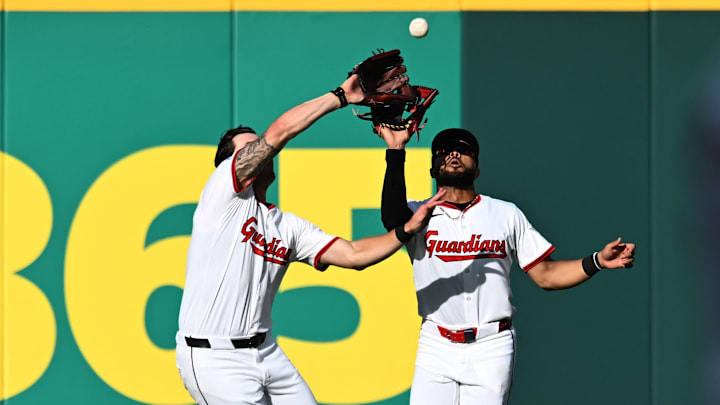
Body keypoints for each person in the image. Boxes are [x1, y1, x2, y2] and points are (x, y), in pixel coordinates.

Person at [175, 71, 446, 405]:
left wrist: (406, 230)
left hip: (266, 352)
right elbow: (279, 133)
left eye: (258, 143)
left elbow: (354, 254)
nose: (261, 148)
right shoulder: (222, 197)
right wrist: (340, 97)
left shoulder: (285, 227)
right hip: (214, 358)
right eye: (250, 147)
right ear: (230, 164)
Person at [377, 126, 636, 405]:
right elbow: (392, 219)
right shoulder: (418, 214)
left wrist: (596, 260)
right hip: (436, 343)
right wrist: (395, 150)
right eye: (444, 151)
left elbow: (546, 276)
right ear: (432, 170)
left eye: (464, 150)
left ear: (477, 169)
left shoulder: (505, 214)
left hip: (491, 345)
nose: (453, 154)